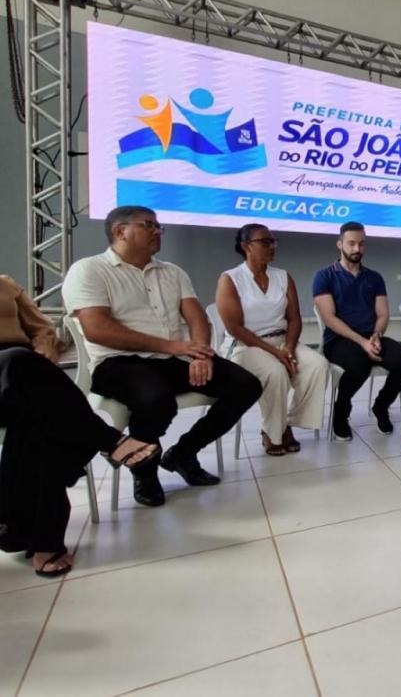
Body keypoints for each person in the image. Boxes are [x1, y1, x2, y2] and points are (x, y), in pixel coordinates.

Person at [63, 206, 263, 508]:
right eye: (149, 225)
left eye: (159, 227)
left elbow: (197, 318)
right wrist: (174, 348)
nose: (158, 231)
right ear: (121, 231)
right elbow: (97, 329)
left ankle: (183, 454)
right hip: (119, 362)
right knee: (156, 400)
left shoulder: (173, 272)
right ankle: (145, 472)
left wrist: (201, 354)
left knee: (245, 384)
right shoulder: (89, 270)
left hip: (175, 357)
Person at [1, 275, 159, 577]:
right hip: (11, 370)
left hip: (25, 381)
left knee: (40, 423)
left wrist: (45, 348)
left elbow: (43, 329)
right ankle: (109, 440)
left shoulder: (6, 284)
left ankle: (24, 533)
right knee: (19, 364)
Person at [216, 225, 328, 456]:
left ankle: (286, 422)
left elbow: (294, 318)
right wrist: (277, 353)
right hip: (246, 345)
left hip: (282, 341)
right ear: (246, 246)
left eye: (273, 241)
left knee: (317, 365)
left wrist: (287, 347)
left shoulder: (283, 276)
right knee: (275, 371)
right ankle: (273, 432)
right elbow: (234, 328)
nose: (272, 246)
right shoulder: (231, 279)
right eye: (265, 242)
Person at [313, 221, 401, 441]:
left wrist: (376, 336)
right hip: (338, 340)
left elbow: (382, 315)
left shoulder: (374, 278)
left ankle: (381, 406)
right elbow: (329, 318)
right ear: (339, 244)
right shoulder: (325, 276)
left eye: (361, 244)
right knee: (360, 364)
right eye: (351, 244)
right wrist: (362, 342)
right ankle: (341, 411)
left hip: (371, 336)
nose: (357, 249)